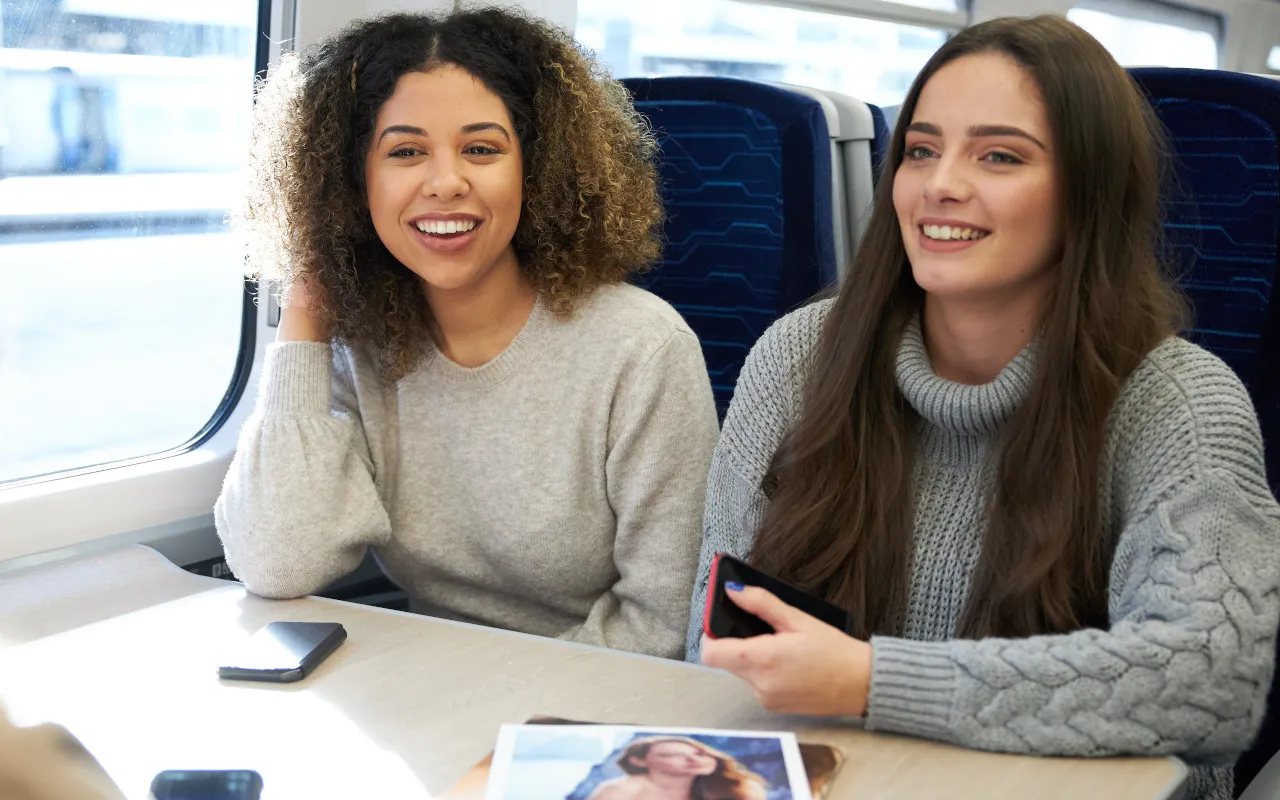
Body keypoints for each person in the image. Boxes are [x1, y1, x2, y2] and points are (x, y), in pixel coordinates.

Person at [686, 14, 1280, 800]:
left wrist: (874, 681)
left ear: (1087, 195)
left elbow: (1208, 683)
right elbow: (715, 648)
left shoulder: (1180, 405)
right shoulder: (800, 356)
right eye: (922, 150)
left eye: (999, 156)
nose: (940, 184)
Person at [214, 8, 719, 660]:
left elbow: (662, 626)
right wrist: (307, 307)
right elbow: (278, 560)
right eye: (405, 152)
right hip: (437, 697)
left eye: (481, 149)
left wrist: (498, 709)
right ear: (350, 184)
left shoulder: (642, 350)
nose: (446, 182)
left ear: (536, 171)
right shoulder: (363, 349)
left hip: (582, 709)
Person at [585, 737, 766, 800]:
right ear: (639, 761)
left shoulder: (737, 786)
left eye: (699, 753)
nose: (693, 760)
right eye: (672, 755)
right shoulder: (622, 790)